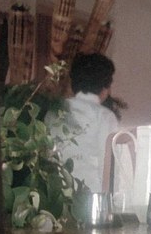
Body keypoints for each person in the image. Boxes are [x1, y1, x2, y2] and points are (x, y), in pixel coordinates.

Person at [48, 52, 119, 193]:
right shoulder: (105, 116)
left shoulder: (54, 111)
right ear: (105, 87)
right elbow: (109, 165)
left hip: (56, 193)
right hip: (91, 194)